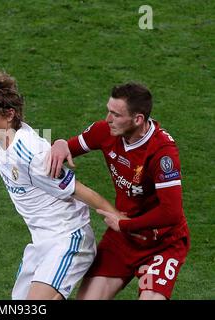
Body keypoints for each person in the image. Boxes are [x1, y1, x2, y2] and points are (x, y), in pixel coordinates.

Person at [0, 69, 119, 300]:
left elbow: (80, 190)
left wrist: (119, 218)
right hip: (41, 242)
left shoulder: (32, 155)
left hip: (67, 238)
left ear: (8, 115)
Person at [49, 83, 190, 300]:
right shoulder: (105, 131)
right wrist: (60, 144)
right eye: (109, 110)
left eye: (116, 114)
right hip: (123, 239)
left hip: (161, 243)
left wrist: (125, 224)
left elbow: (171, 213)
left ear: (138, 119)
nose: (107, 119)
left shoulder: (162, 153)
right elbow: (69, 147)